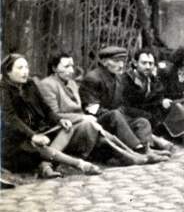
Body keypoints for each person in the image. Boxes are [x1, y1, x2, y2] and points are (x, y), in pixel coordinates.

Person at [38, 51, 168, 166]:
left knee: (141, 122)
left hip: (86, 121)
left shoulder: (72, 83)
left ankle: (143, 150)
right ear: (54, 68)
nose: (71, 70)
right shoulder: (48, 84)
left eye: (72, 66)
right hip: (69, 126)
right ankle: (136, 152)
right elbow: (54, 114)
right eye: (66, 66)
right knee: (111, 120)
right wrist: (83, 117)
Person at [0, 54, 101, 178]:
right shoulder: (3, 89)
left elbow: (46, 109)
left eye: (26, 67)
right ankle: (81, 165)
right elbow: (10, 118)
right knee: (36, 147)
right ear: (7, 71)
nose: (25, 71)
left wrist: (60, 120)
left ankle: (45, 165)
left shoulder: (30, 85)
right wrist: (32, 136)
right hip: (15, 140)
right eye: (20, 68)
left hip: (38, 133)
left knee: (68, 128)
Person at [79, 46, 169, 154]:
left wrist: (123, 116)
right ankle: (137, 148)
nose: (121, 65)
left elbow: (121, 103)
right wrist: (116, 115)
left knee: (142, 122)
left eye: (122, 61)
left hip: (115, 119)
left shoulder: (118, 78)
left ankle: (147, 148)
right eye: (116, 61)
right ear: (104, 62)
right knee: (116, 114)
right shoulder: (93, 78)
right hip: (97, 121)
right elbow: (91, 108)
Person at [121, 48, 184, 146]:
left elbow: (158, 96)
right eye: (144, 63)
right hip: (136, 117)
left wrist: (162, 101)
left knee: (173, 106)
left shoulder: (152, 80)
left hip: (152, 115)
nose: (148, 67)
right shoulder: (126, 80)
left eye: (151, 63)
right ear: (135, 63)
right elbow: (126, 106)